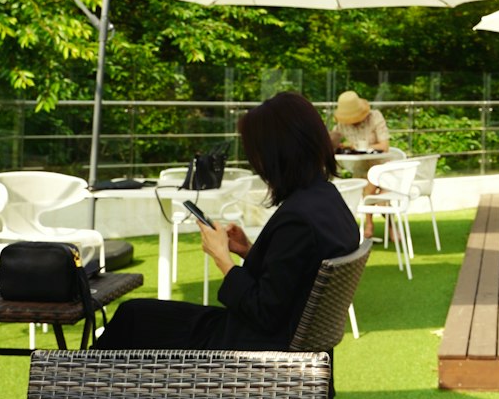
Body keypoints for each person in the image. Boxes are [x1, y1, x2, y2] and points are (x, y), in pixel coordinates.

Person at [95, 91, 360, 352]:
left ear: (275, 154)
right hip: (283, 340)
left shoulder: (298, 219)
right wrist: (247, 250)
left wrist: (222, 257)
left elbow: (263, 313)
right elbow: (291, 278)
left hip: (255, 350)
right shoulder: (327, 200)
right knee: (136, 314)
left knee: (133, 318)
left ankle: (79, 385)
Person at [329, 90, 390, 237]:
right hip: (360, 168)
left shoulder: (375, 117)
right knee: (364, 186)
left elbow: (384, 146)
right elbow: (332, 140)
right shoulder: (342, 124)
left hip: (381, 166)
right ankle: (389, 223)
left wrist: (361, 147)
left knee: (369, 188)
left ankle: (369, 225)